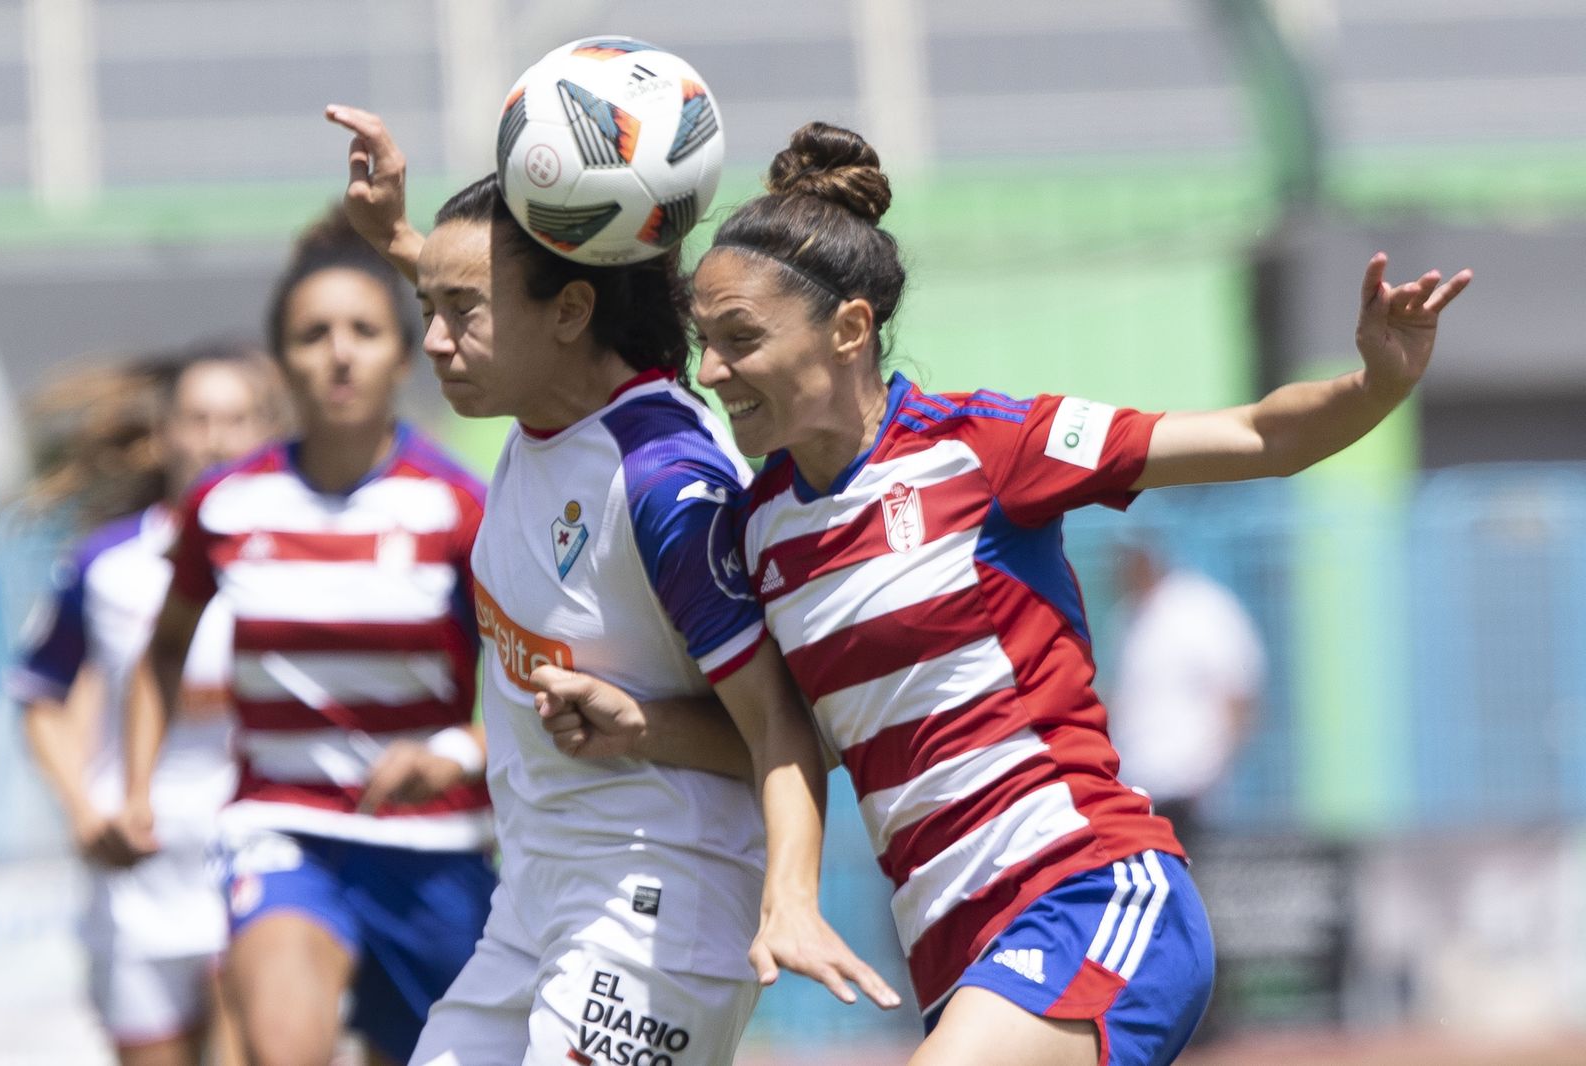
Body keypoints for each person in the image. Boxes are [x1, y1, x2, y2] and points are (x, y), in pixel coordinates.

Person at [668, 122, 1469, 1066]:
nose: (712, 372)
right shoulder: (760, 529)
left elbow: (1260, 436)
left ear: (848, 329)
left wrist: (1377, 382)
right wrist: (626, 728)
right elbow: (786, 736)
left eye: (739, 339)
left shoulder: (987, 446)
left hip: (1088, 893)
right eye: (703, 343)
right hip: (954, 952)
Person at [324, 104, 896, 1066]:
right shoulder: (541, 402)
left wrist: (790, 898)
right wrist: (400, 241)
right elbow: (503, 302)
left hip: (657, 902)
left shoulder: (665, 483)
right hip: (535, 894)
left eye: (458, 312)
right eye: (428, 306)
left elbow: (788, 728)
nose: (432, 341)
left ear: (572, 309)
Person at [116, 208, 499, 1066]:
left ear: (404, 355)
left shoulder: (458, 507)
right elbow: (164, 647)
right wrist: (137, 786)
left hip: (433, 847)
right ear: (281, 361)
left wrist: (457, 754)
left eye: (363, 330)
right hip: (282, 830)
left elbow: (524, 682)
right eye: (312, 333)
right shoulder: (225, 505)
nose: (338, 352)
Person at [7, 340, 286, 1066]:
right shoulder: (105, 564)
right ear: (163, 434)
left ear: (267, 430)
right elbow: (41, 695)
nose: (215, 437)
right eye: (195, 418)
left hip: (257, 856)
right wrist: (83, 811)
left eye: (236, 418)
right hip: (140, 871)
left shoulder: (299, 554)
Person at [1107, 538, 1266, 855]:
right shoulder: (1127, 616)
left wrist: (1212, 773)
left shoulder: (1198, 606)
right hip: (1141, 787)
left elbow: (1239, 694)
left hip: (1190, 789)